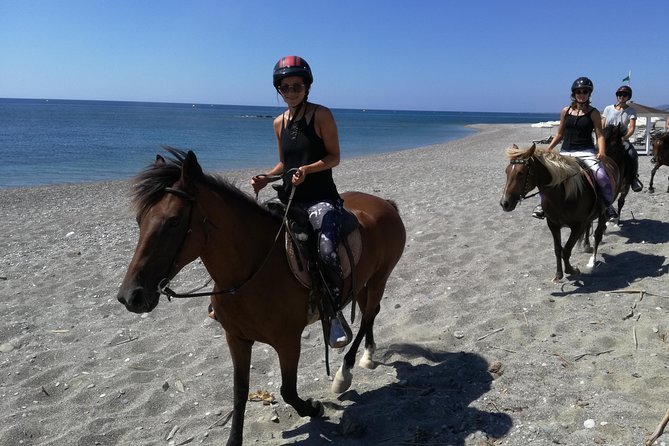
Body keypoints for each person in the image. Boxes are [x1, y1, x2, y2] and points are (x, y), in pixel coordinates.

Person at [251, 55, 351, 349]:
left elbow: (334, 157)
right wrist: (266, 177)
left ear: (307, 87)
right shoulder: (278, 123)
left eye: (297, 86)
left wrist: (308, 170)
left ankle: (333, 314)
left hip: (320, 198)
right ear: (278, 90)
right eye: (285, 87)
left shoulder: (321, 115)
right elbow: (284, 163)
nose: (291, 92)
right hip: (289, 199)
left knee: (327, 251)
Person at [532, 77, 618, 221]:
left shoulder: (594, 113)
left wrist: (602, 151)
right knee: (547, 175)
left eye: (585, 91)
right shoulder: (565, 111)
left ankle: (607, 205)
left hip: (586, 152)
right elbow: (560, 134)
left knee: (602, 176)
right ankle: (543, 204)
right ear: (574, 94)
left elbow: (600, 135)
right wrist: (549, 148)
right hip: (566, 152)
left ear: (589, 94)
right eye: (578, 91)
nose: (581, 94)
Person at [601, 85, 643, 192]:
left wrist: (624, 138)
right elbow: (602, 124)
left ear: (628, 97)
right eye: (619, 94)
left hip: (622, 139)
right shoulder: (608, 109)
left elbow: (631, 128)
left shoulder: (631, 111)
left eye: (624, 95)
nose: (621, 97)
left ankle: (633, 179)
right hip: (607, 139)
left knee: (633, 154)